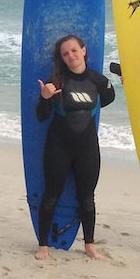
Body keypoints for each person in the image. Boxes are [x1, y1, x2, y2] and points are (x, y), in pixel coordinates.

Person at [34, 34, 115, 260]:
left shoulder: (98, 81)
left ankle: (89, 245)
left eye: (74, 50)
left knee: (87, 198)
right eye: (65, 53)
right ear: (62, 58)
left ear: (84, 50)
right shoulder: (57, 82)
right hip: (58, 146)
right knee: (51, 195)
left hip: (87, 148)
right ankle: (43, 245)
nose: (71, 56)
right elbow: (41, 116)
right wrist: (44, 98)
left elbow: (109, 99)